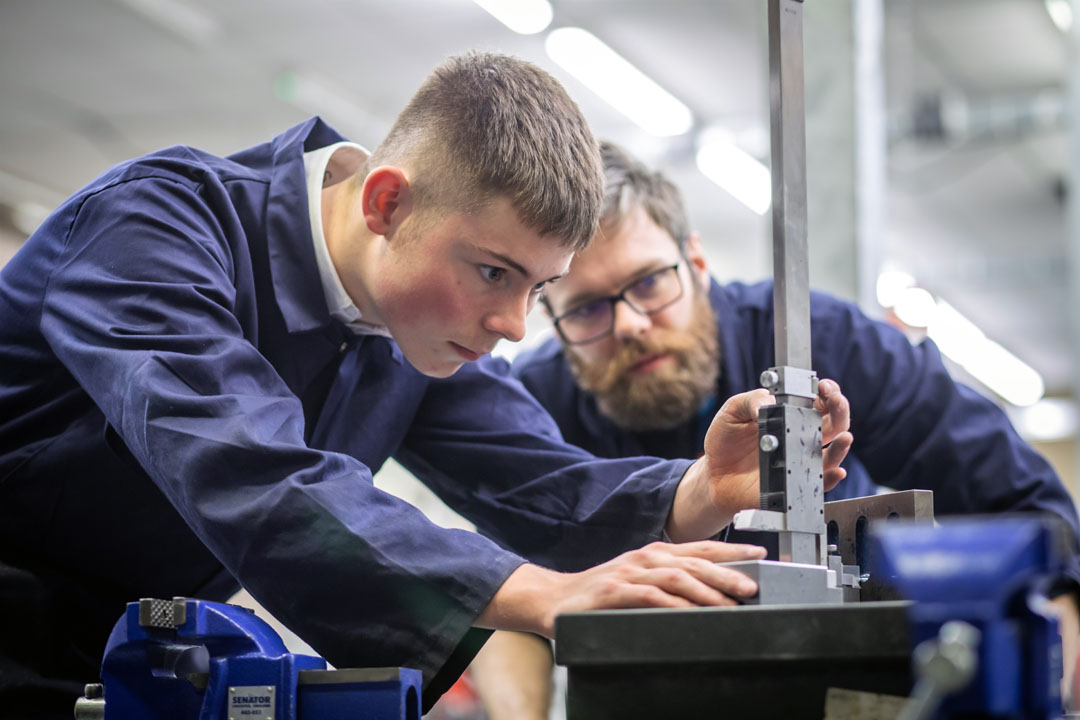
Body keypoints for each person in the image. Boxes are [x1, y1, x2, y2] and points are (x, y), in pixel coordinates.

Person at [0, 53, 854, 718]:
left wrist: (703, 488)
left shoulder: (407, 325)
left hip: (124, 664)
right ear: (385, 203)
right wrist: (540, 594)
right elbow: (247, 467)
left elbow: (536, 482)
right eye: (493, 272)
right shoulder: (151, 230)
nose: (516, 324)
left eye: (537, 289)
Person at [470, 140, 1080, 720]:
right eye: (586, 308)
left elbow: (1028, 512)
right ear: (545, 312)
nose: (629, 325)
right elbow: (515, 589)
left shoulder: (826, 342)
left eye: (649, 282)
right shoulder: (535, 402)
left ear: (698, 259)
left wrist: (1049, 655)